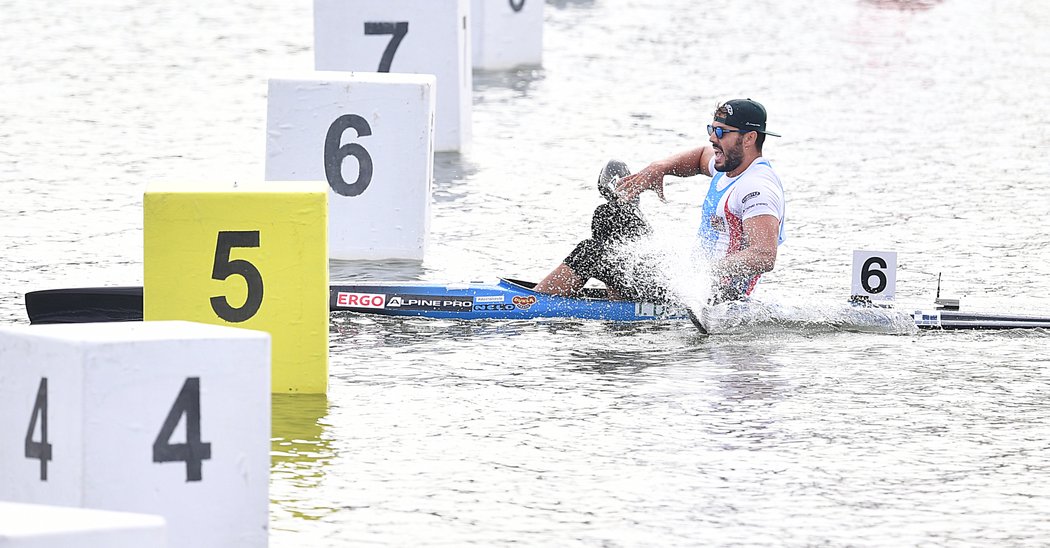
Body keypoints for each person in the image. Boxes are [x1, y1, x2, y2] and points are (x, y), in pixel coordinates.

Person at [533, 98, 786, 303]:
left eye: (721, 132)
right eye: (711, 129)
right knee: (609, 216)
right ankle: (620, 300)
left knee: (590, 253)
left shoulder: (757, 187)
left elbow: (763, 255)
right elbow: (699, 157)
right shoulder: (729, 165)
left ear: (749, 138)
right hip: (686, 282)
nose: (712, 138)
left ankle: (531, 304)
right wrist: (660, 168)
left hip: (709, 297)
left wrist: (701, 274)